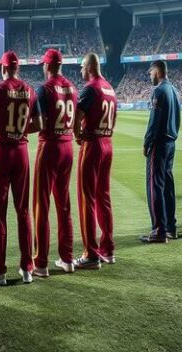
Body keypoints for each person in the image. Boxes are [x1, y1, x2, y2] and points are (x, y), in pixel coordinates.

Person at [0, 51, 42, 286]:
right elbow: (39, 124)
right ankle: (27, 268)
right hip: (22, 152)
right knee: (23, 211)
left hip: (2, 152)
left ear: (3, 68)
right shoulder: (30, 90)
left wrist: (2, 124)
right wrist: (21, 129)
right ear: (18, 68)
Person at [31, 49, 76, 277]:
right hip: (68, 146)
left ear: (47, 65)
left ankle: (41, 263)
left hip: (49, 146)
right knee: (64, 205)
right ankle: (67, 259)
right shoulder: (73, 88)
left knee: (41, 205)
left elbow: (39, 123)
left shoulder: (44, 88)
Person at [73, 52, 118, 269]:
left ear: (89, 67)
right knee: (104, 198)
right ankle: (107, 249)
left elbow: (77, 117)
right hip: (107, 143)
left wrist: (77, 135)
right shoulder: (110, 88)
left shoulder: (90, 88)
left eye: (82, 67)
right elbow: (114, 119)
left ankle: (90, 254)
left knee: (87, 199)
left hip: (92, 145)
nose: (80, 71)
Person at [140, 60, 180, 243]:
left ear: (157, 71)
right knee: (167, 186)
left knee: (154, 186)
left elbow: (154, 120)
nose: (150, 76)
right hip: (171, 142)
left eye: (151, 72)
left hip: (159, 143)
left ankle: (158, 231)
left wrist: (147, 142)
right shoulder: (174, 90)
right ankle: (170, 227)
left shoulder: (159, 90)